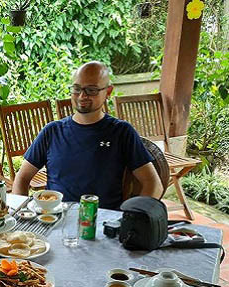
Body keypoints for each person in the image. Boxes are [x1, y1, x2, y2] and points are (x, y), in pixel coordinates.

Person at [13, 61, 163, 209]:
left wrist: (134, 219)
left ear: (108, 92)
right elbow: (22, 179)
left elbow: (153, 184)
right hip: (56, 219)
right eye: (77, 89)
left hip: (102, 222)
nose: (82, 96)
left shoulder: (121, 132)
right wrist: (22, 215)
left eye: (91, 90)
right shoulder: (52, 132)